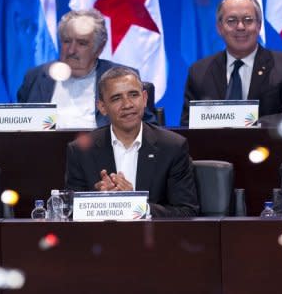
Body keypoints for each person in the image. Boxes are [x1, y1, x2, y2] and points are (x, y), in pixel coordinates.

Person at [65, 66, 199, 217]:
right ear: (102, 107)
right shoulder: (81, 150)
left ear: (145, 98)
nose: (127, 104)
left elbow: (186, 212)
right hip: (101, 237)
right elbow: (71, 212)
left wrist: (136, 204)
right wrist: (97, 199)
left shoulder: (173, 147)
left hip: (154, 238)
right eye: (116, 98)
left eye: (133, 95)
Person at [180, 0, 282, 127]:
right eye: (231, 20)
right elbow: (188, 124)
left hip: (270, 145)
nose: (240, 27)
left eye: (248, 20)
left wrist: (249, 123)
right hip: (214, 146)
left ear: (259, 26)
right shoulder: (199, 71)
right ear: (219, 28)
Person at [17, 9, 156, 128]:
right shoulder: (36, 77)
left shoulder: (122, 78)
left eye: (82, 43)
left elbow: (148, 129)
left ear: (99, 48)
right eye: (66, 41)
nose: (71, 50)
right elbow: (17, 126)